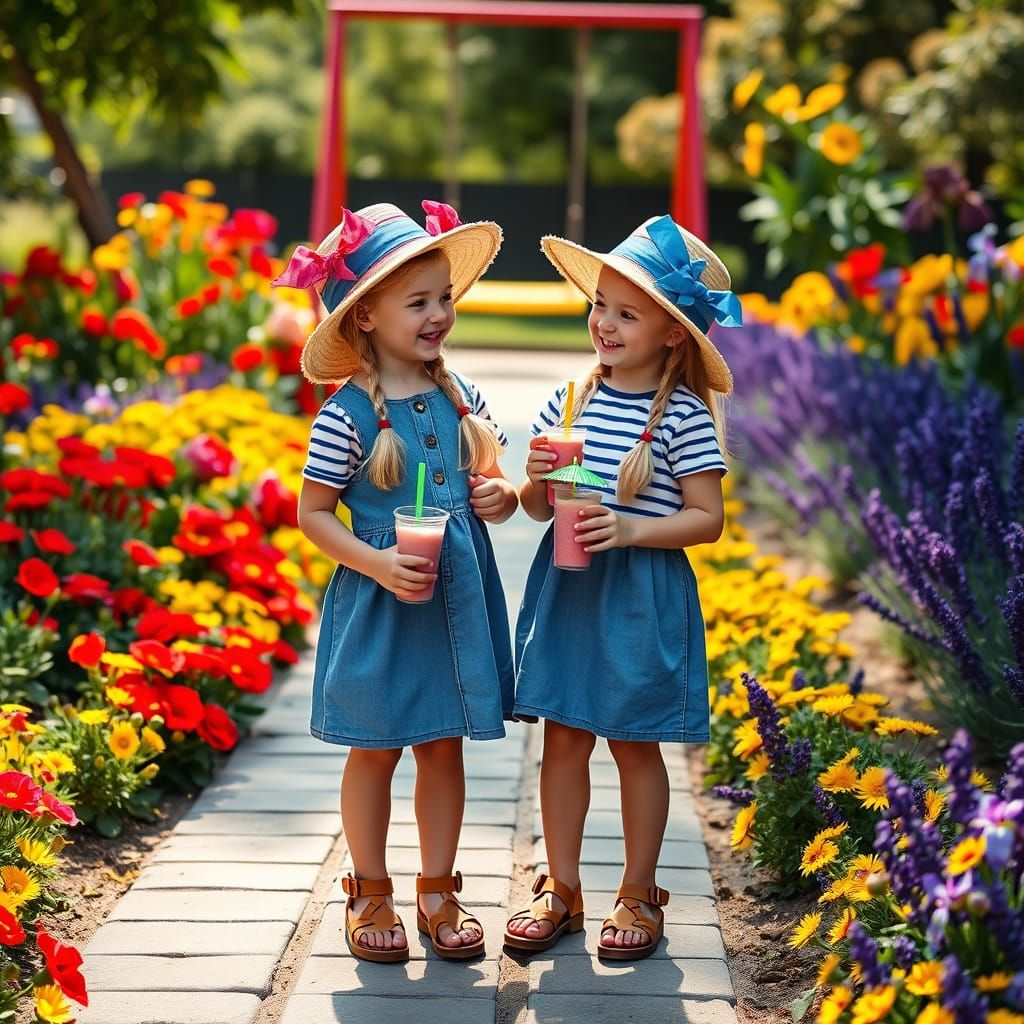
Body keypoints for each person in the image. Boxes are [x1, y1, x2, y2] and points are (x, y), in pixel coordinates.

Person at [283, 201, 518, 963]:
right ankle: (370, 887)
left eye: (444, 296)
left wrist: (500, 496)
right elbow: (313, 513)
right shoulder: (346, 416)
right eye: (418, 302)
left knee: (443, 746)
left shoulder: (462, 397)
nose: (439, 313)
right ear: (367, 318)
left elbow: (495, 481)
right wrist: (376, 561)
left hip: (451, 601)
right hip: (384, 601)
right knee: (375, 748)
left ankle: (439, 888)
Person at [503, 215, 742, 961]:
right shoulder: (571, 401)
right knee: (563, 740)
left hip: (641, 597)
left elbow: (708, 519)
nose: (603, 322)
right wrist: (536, 483)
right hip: (572, 593)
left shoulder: (682, 418)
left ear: (673, 333)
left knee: (635, 747)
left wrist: (633, 529)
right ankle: (561, 887)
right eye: (599, 304)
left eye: (626, 312)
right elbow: (539, 506)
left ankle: (639, 891)